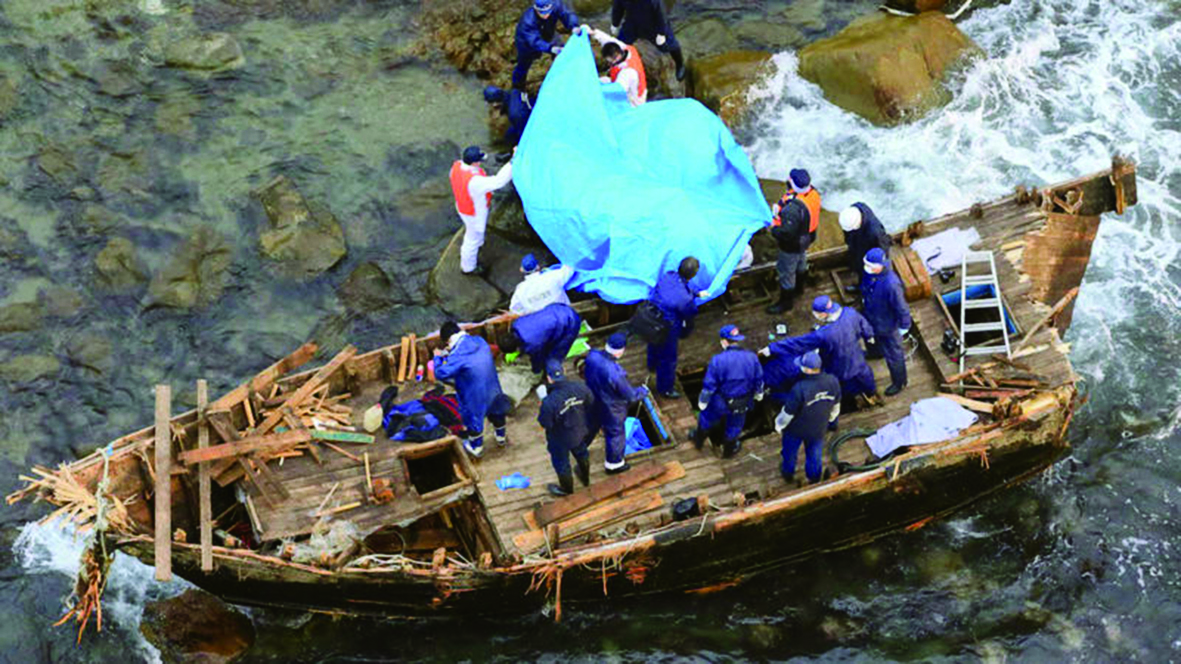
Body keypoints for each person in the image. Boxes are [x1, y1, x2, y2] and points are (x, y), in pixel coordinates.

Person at [762, 295, 876, 408]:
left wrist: (772, 348)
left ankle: (847, 403)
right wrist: (869, 335)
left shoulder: (824, 334)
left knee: (841, 387)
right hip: (857, 357)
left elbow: (799, 343)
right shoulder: (849, 313)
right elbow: (863, 324)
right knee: (865, 376)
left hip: (838, 366)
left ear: (823, 314)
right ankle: (871, 393)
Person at [432, 321, 511, 458]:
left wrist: (438, 357)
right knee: (497, 412)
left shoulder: (458, 356)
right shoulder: (479, 341)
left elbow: (440, 373)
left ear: (448, 340)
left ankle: (476, 447)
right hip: (493, 388)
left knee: (473, 419)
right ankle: (501, 437)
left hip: (474, 394)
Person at [689, 325, 764, 459]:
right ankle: (729, 450)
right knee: (735, 426)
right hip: (742, 401)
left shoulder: (717, 360)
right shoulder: (752, 357)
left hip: (720, 401)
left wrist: (703, 401)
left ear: (724, 342)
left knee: (707, 418)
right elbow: (758, 379)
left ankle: (698, 440)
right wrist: (759, 392)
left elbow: (709, 385)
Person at [585, 332, 648, 474]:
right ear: (621, 351)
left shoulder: (592, 356)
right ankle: (614, 464)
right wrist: (642, 391)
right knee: (615, 434)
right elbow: (630, 395)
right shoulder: (616, 373)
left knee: (590, 425)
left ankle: (579, 447)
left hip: (593, 399)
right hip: (611, 408)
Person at [774, 350, 841, 484]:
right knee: (814, 454)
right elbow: (836, 406)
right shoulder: (833, 381)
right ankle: (814, 478)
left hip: (795, 431)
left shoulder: (799, 388)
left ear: (807, 369)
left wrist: (778, 425)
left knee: (789, 454)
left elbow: (787, 414)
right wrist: (830, 420)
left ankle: (788, 473)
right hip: (818, 429)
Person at [647, 256, 708, 399]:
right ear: (693, 274)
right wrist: (685, 332)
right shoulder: (685, 300)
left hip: (651, 317)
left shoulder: (669, 276)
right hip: (667, 326)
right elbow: (690, 314)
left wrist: (696, 294)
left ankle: (652, 365)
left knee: (652, 344)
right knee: (668, 358)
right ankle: (665, 389)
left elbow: (678, 289)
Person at [449, 146, 514, 276]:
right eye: (479, 160)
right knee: (472, 239)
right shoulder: (475, 181)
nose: (481, 162)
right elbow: (498, 181)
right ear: (474, 163)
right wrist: (513, 162)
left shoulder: (456, 167)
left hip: (463, 206)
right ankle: (468, 267)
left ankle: (475, 247)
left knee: (473, 235)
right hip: (474, 213)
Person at [537, 366, 597, 496]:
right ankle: (585, 477)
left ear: (549, 378)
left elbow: (545, 423)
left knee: (561, 462)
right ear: (564, 373)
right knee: (582, 452)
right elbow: (591, 403)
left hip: (560, 438)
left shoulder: (549, 402)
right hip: (580, 430)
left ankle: (567, 489)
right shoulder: (580, 387)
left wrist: (542, 404)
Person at [860, 247, 911, 396]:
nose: (866, 268)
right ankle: (875, 353)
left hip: (888, 325)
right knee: (871, 338)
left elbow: (901, 307)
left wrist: (904, 325)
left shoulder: (891, 284)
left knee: (894, 355)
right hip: (872, 316)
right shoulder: (870, 273)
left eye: (870, 265)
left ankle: (899, 382)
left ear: (880, 265)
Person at [498, 302, 582, 376]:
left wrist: (536, 371)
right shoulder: (516, 324)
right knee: (548, 344)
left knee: (554, 357)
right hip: (557, 308)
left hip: (570, 322)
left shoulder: (532, 344)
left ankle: (556, 378)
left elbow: (538, 358)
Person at [513, 0, 581, 90]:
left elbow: (566, 14)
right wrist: (550, 48)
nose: (545, 16)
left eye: (547, 12)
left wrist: (573, 25)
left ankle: (561, 72)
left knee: (560, 49)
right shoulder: (527, 22)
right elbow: (534, 41)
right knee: (523, 64)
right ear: (536, 10)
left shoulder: (556, 5)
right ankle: (518, 85)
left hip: (548, 33)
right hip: (526, 43)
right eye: (541, 13)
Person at [611, 0, 686, 81]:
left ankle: (680, 64)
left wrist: (661, 33)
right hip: (632, 23)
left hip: (653, 25)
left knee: (668, 45)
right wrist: (615, 23)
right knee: (620, 44)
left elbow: (661, 14)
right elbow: (618, 8)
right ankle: (617, 68)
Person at [765, 198, 811, 315]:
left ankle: (786, 303)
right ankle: (799, 289)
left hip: (790, 249)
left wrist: (773, 229)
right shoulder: (801, 206)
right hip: (803, 243)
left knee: (786, 273)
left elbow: (787, 233)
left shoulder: (789, 212)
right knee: (801, 265)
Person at [838, 202, 892, 287]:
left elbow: (883, 247)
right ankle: (860, 284)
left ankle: (866, 287)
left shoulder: (875, 231)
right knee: (857, 266)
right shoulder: (855, 210)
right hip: (857, 245)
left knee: (866, 273)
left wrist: (881, 264)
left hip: (867, 252)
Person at [590, 28, 647, 106]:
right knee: (598, 81)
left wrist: (593, 92)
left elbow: (617, 89)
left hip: (634, 100)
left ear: (615, 59)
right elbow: (607, 39)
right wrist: (592, 32)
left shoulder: (627, 72)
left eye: (609, 62)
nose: (609, 64)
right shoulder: (626, 48)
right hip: (633, 87)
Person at [510, 253, 575, 314]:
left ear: (521, 269)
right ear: (538, 267)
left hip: (542, 324)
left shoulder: (520, 290)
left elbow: (514, 310)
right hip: (565, 317)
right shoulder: (553, 276)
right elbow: (570, 268)